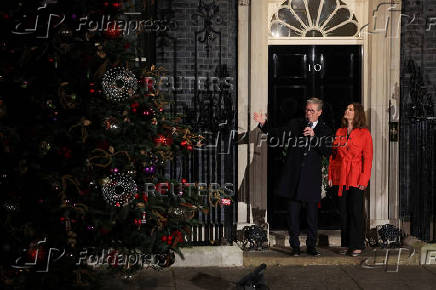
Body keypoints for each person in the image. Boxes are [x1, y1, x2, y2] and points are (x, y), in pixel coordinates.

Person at [254, 98, 332, 256]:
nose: (308, 113)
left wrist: (314, 137)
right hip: (294, 176)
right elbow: (278, 133)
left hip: (311, 178)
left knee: (311, 216)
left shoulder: (324, 129)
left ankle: (311, 246)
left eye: (311, 111)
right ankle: (295, 246)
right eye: (307, 110)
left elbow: (327, 151)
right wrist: (264, 124)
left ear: (319, 112)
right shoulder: (296, 124)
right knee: (293, 214)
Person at [328, 103, 373, 257]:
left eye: (351, 109)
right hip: (341, 176)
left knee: (355, 211)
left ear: (357, 113)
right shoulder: (340, 131)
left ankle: (357, 244)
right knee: (344, 211)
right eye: (347, 108)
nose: (347, 111)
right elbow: (333, 156)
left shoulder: (364, 133)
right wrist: (331, 175)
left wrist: (364, 179)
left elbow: (368, 158)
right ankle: (347, 243)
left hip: (356, 176)